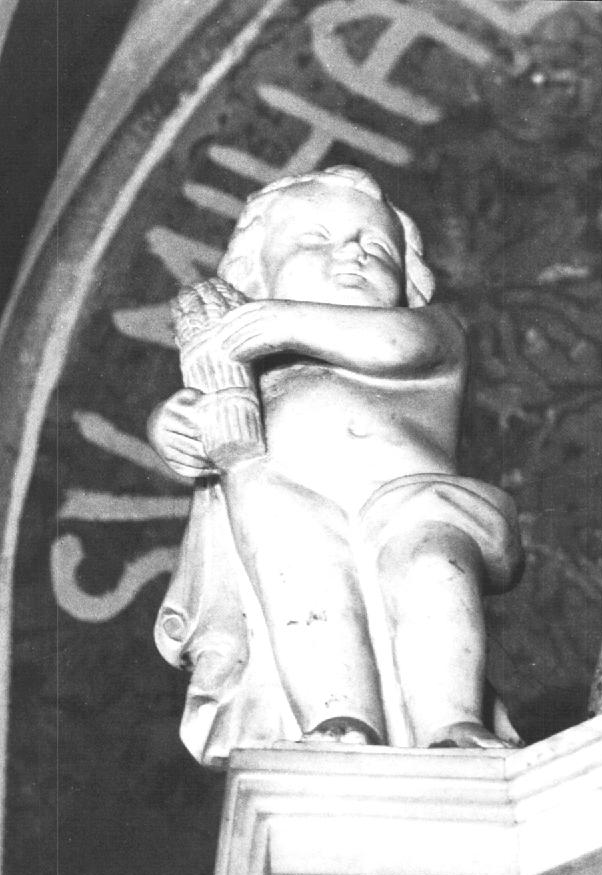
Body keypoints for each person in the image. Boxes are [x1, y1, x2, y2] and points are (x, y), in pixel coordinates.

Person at [149, 166, 523, 766]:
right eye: (316, 240)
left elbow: (395, 345)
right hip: (284, 492)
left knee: (432, 572)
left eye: (377, 247)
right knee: (301, 582)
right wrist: (174, 428)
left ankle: (452, 721)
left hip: (412, 498)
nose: (352, 253)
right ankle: (337, 717)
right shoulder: (255, 372)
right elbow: (203, 424)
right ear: (254, 275)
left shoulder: (431, 331)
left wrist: (281, 320)